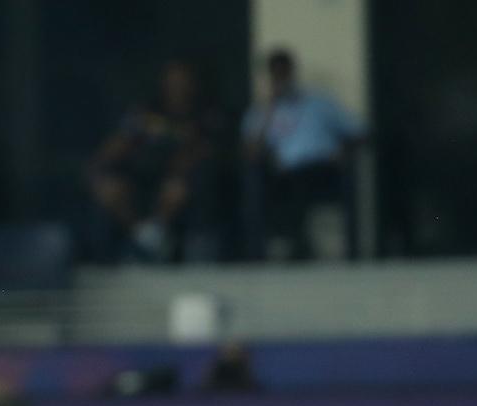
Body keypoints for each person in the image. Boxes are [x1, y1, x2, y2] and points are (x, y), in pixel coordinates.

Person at [88, 59, 224, 263]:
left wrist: (176, 160)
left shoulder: (204, 113)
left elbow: (205, 149)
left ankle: (153, 237)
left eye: (182, 81)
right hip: (141, 178)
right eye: (172, 80)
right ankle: (144, 236)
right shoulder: (148, 109)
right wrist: (97, 165)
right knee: (109, 188)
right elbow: (119, 142)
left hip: (179, 179)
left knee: (176, 189)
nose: (177, 86)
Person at [242, 48, 365, 259]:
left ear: (292, 73)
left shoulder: (319, 103)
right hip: (285, 174)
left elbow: (360, 132)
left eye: (285, 73)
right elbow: (251, 151)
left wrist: (344, 150)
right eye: (276, 74)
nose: (282, 79)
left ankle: (307, 247)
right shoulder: (261, 111)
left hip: (323, 169)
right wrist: (270, 110)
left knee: (304, 184)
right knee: (278, 185)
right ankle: (292, 247)